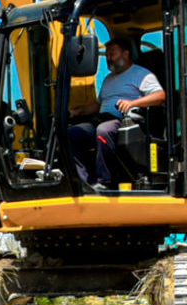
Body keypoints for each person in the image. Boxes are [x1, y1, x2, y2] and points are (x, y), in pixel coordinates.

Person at [66, 34, 164, 190]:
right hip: (101, 118)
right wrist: (78, 111)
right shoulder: (108, 79)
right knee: (71, 133)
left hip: (124, 120)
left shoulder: (141, 74)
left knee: (103, 131)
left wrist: (132, 103)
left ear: (126, 54)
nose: (109, 58)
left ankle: (104, 180)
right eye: (107, 55)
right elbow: (98, 105)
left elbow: (160, 96)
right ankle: (82, 181)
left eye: (112, 54)